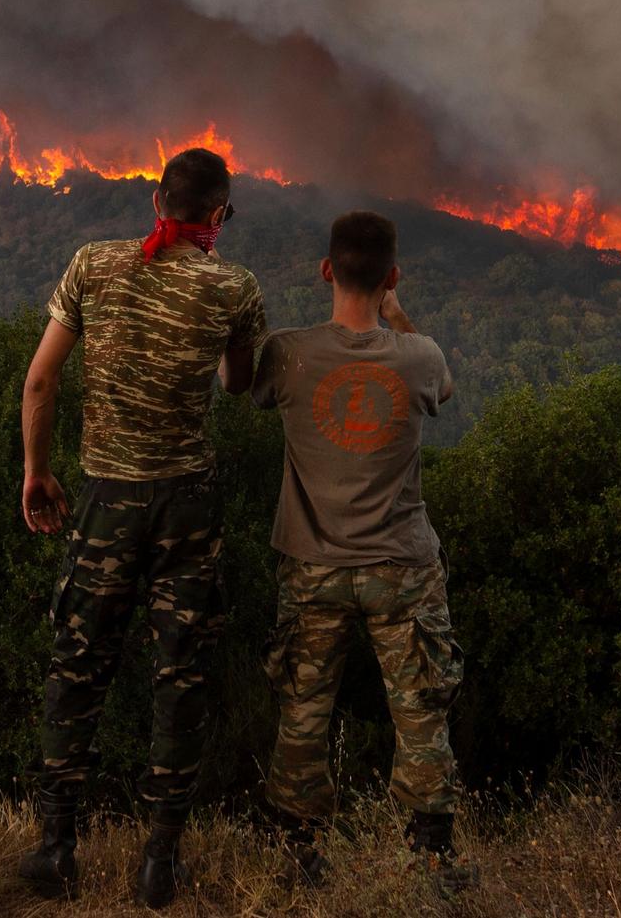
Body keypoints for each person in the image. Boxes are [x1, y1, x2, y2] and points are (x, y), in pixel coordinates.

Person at [16, 147, 267, 909]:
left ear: (157, 198)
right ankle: (160, 861)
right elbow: (239, 381)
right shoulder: (235, 285)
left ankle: (58, 849)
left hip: (106, 499)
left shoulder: (92, 264)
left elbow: (40, 378)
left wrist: (36, 469)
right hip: (187, 503)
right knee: (179, 673)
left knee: (78, 667)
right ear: (218, 215)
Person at [250, 210, 470, 889]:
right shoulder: (419, 355)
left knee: (303, 708)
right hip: (401, 567)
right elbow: (447, 390)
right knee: (420, 709)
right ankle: (431, 860)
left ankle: (297, 857)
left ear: (326, 270)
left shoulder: (287, 353)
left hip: (312, 566)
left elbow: (246, 387)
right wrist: (398, 317)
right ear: (391, 277)